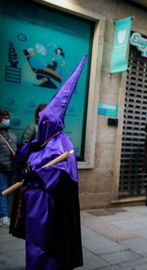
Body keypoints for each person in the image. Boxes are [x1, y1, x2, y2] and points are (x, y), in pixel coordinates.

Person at [9, 55, 87, 269]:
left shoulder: (62, 142)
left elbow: (63, 172)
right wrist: (27, 153)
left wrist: (39, 175)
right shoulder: (40, 142)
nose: (41, 123)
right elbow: (23, 159)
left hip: (48, 203)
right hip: (32, 199)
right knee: (33, 241)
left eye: (45, 121)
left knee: (46, 242)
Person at [0, 110, 17, 228]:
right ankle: (3, 216)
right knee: (2, 190)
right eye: (5, 117)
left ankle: (8, 214)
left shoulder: (12, 133)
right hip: (1, 167)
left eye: (8, 117)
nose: (7, 119)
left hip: (13, 167)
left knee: (10, 191)